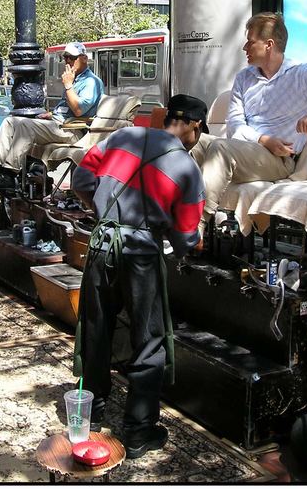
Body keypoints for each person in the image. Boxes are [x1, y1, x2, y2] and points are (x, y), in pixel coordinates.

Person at [71, 94, 207, 460]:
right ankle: (137, 431)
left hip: (100, 247)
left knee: (96, 328)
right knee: (149, 341)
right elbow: (186, 236)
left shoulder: (121, 137)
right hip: (141, 256)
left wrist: (102, 215)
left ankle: (92, 411)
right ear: (194, 126)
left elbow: (80, 179)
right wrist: (188, 242)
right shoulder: (187, 167)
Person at [198, 12, 307, 230]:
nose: (244, 48)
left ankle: (196, 226)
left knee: (220, 148)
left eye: (250, 42)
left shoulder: (302, 75)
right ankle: (163, 221)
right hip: (247, 149)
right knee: (189, 141)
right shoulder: (244, 78)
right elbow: (235, 127)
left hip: (279, 160)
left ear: (269, 45)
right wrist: (264, 139)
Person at [0, 41, 103, 191]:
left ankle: (10, 172)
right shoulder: (74, 78)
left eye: (72, 58)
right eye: (65, 57)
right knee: (10, 121)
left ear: (84, 58)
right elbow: (65, 107)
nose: (67, 61)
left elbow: (79, 111)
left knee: (24, 125)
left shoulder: (91, 82)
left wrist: (68, 86)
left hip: (72, 130)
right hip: (57, 124)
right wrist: (51, 113)